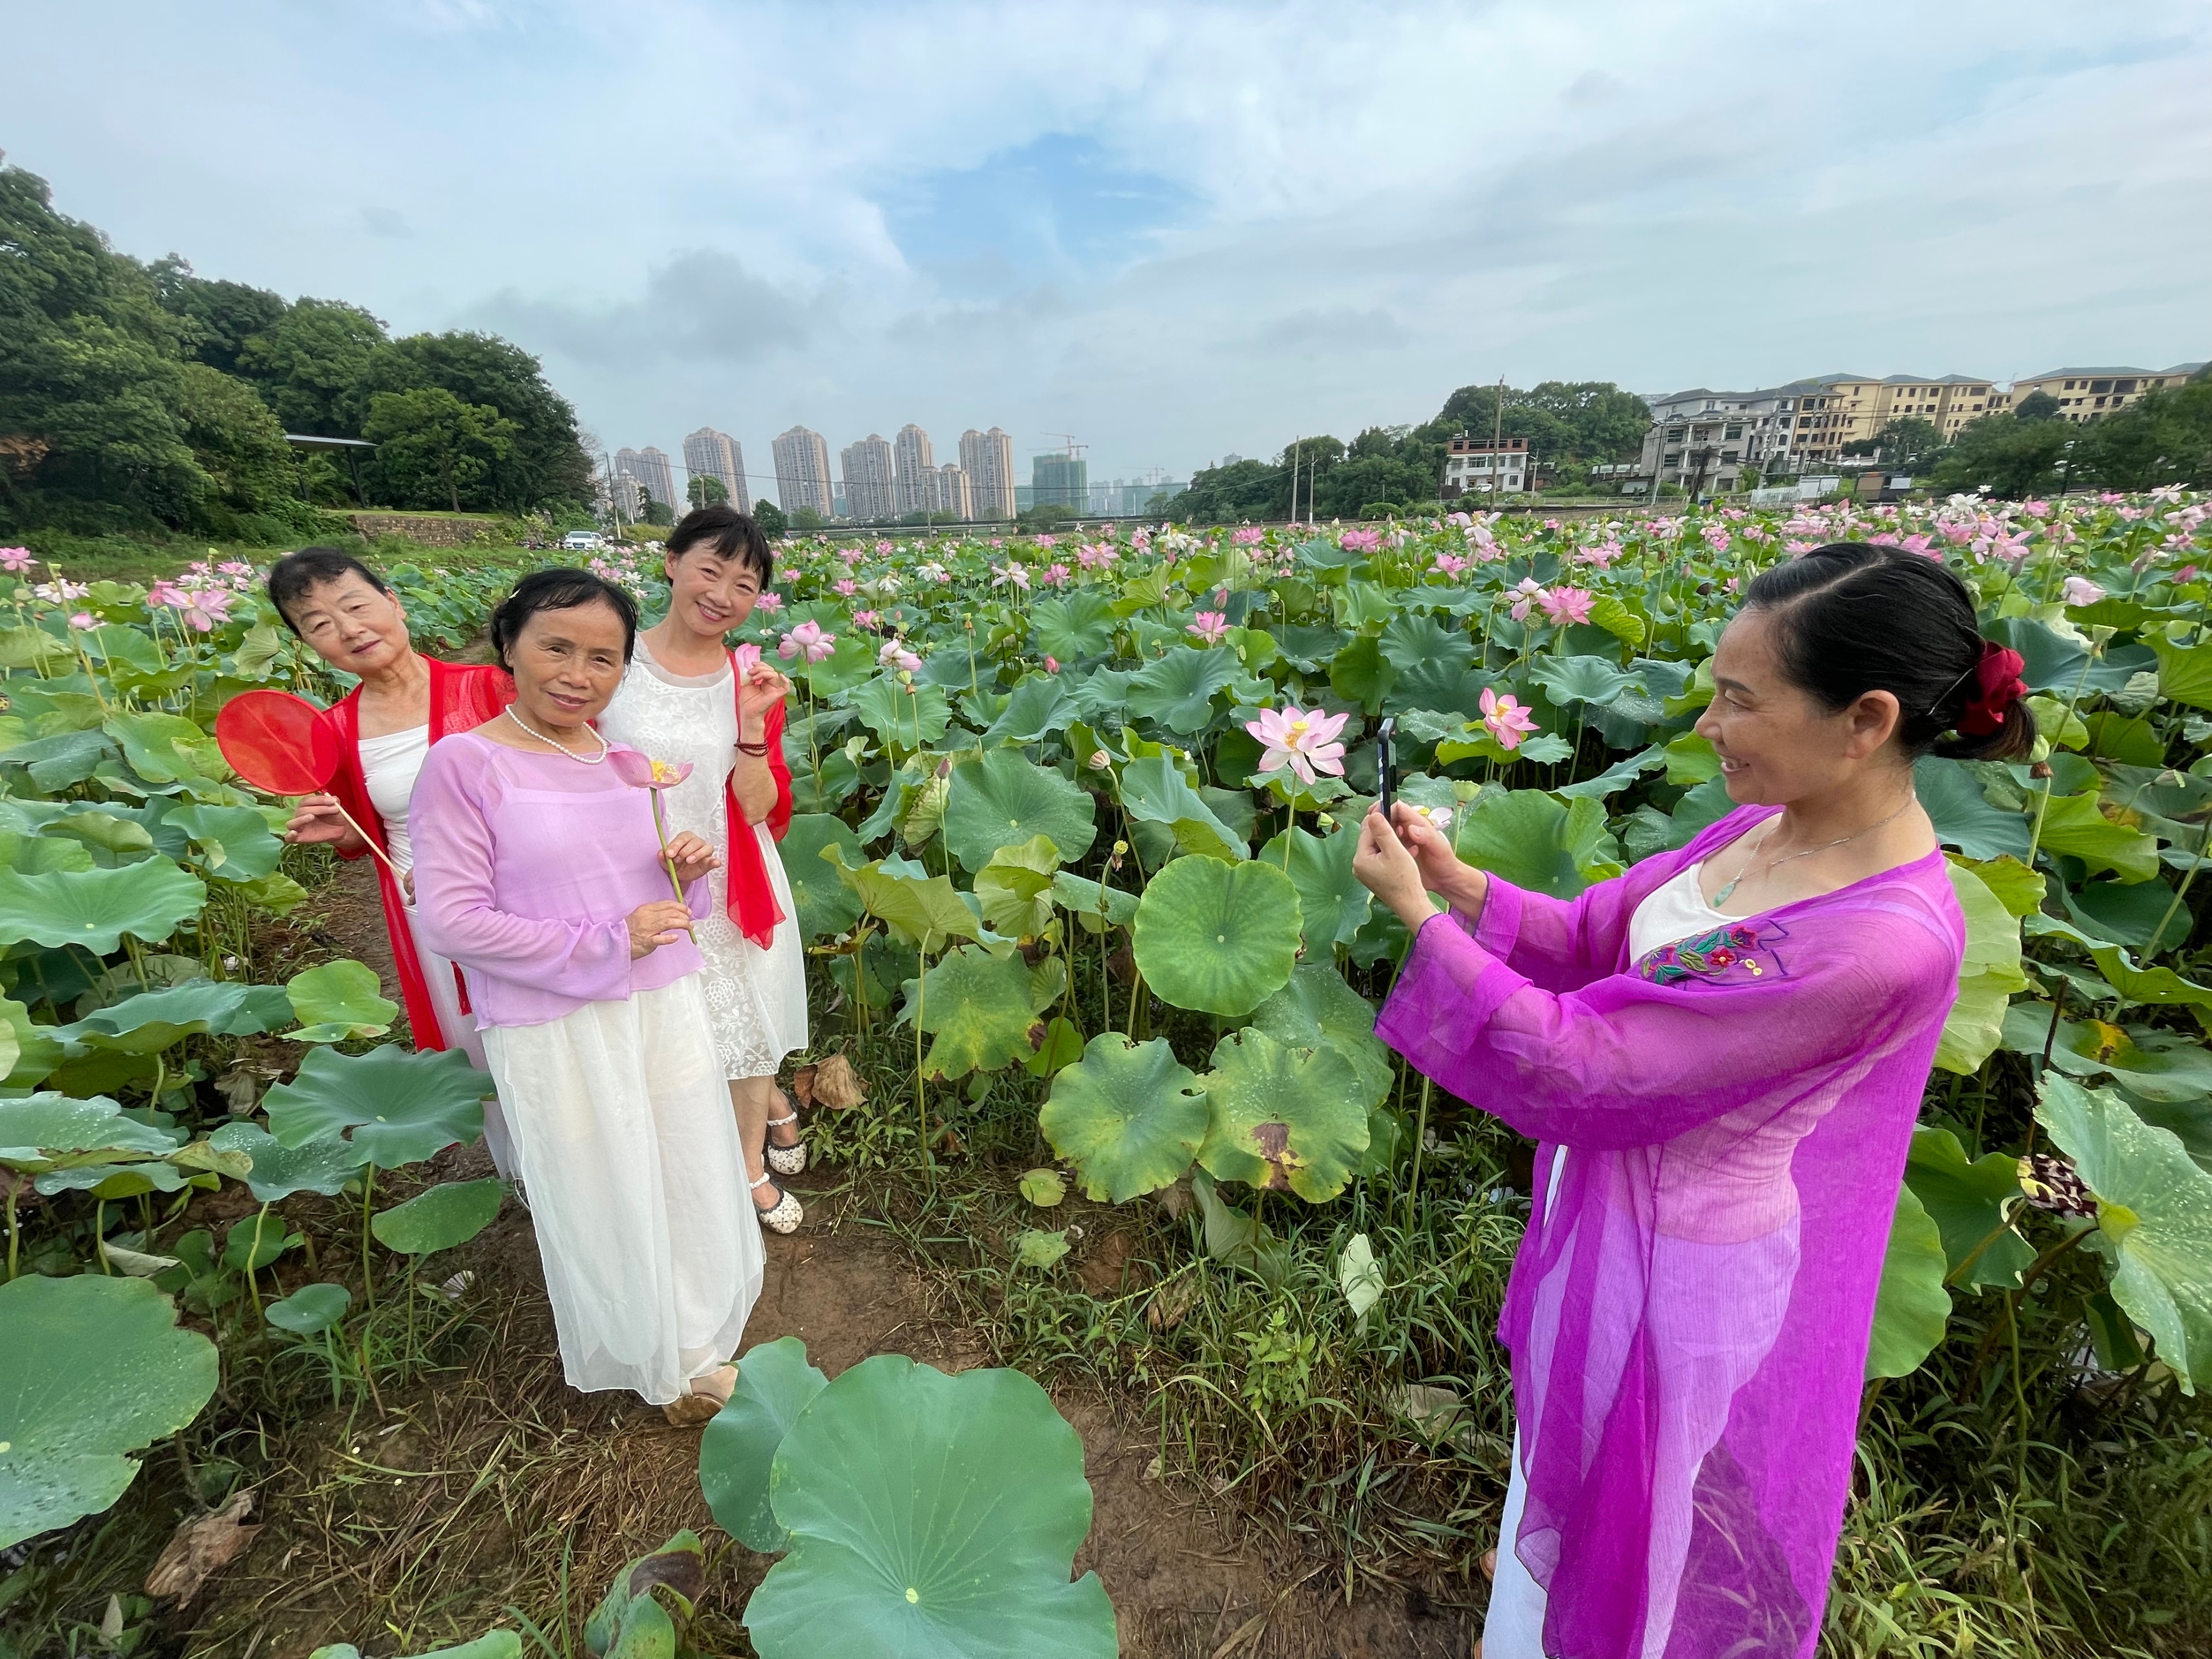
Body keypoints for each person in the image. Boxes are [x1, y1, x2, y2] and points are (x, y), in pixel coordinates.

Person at [1352, 543, 2031, 1659]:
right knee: (1561, 1459)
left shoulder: (1878, 943)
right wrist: (1457, 882)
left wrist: (1416, 923)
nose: (1706, 723)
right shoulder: (1763, 823)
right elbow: (1593, 937)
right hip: (1598, 1202)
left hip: (1678, 1270)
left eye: (1736, 697)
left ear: (1860, 719)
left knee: (1635, 1540)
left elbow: (1593, 1066)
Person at [408, 568, 763, 1424]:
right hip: (554, 1020)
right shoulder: (464, 764)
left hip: (658, 1000)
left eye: (604, 658)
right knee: (602, 1181)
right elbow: (453, 921)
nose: (578, 673)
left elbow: (667, 910)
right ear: (509, 646)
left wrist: (687, 877)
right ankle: (663, 1360)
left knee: (678, 1163)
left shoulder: (628, 765)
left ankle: (694, 1341)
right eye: (556, 647)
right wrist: (606, 942)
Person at [268, 547, 518, 1173]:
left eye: (356, 605)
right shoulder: (333, 731)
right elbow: (362, 837)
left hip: (527, 892)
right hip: (430, 912)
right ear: (307, 643)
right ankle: (524, 1175)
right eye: (320, 623)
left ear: (393, 603)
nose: (349, 628)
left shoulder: (489, 687)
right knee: (479, 1045)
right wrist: (341, 832)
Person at [597, 505, 810, 1232]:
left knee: (745, 1027)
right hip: (634, 873)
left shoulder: (750, 676)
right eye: (710, 569)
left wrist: (751, 728)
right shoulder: (611, 661)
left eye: (744, 583)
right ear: (671, 562)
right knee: (665, 1028)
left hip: (728, 874)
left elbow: (758, 807)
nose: (722, 593)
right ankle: (704, 1139)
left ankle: (746, 1165)